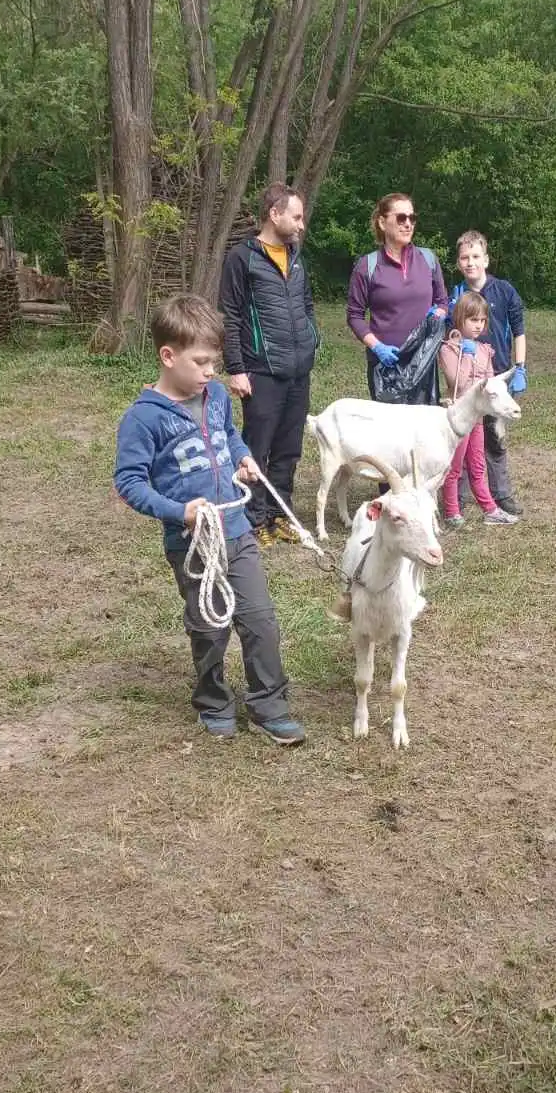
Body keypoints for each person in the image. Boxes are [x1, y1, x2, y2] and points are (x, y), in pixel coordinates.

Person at [113, 293, 305, 746]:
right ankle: (214, 701)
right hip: (193, 543)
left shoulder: (215, 395)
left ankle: (269, 705)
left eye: (214, 362)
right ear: (168, 355)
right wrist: (179, 511)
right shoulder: (143, 419)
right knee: (209, 626)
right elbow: (129, 482)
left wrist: (243, 459)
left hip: (237, 529)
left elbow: (230, 436)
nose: (211, 372)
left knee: (260, 620)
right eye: (201, 362)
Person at [219, 182, 319, 549]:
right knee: (256, 449)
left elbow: (306, 304)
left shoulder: (295, 256)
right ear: (274, 214)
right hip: (260, 371)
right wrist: (237, 368)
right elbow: (229, 315)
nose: (301, 224)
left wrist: (312, 339)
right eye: (296, 216)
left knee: (289, 449)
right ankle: (254, 520)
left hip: (298, 369)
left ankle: (281, 516)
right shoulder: (241, 258)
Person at [450, 230, 527, 517]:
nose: (470, 263)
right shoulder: (457, 294)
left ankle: (501, 493)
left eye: (475, 257)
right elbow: (450, 330)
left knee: (495, 436)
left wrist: (519, 368)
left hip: (496, 378)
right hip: (468, 381)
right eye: (464, 258)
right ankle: (458, 494)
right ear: (459, 263)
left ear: (486, 259)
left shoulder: (504, 290)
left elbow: (518, 331)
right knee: (463, 434)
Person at [346, 193, 448, 402]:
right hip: (386, 367)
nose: (408, 224)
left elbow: (442, 301)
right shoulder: (368, 266)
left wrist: (438, 313)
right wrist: (376, 346)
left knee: (422, 431)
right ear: (383, 222)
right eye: (401, 218)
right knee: (390, 432)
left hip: (423, 362)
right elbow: (354, 315)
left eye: (412, 218)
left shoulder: (428, 259)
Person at [438, 292, 520, 529]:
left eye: (482, 321)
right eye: (473, 320)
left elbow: (490, 382)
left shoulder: (485, 349)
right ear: (460, 318)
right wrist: (467, 357)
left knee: (477, 465)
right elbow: (458, 382)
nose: (479, 325)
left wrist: (479, 358)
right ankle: (452, 511)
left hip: (477, 417)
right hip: (458, 416)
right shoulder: (449, 349)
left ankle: (490, 509)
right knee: (454, 467)